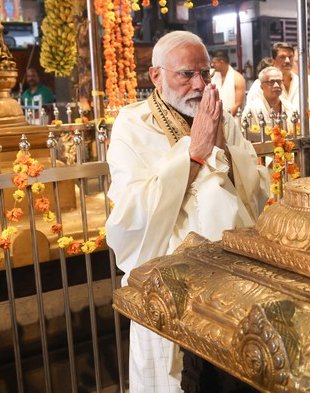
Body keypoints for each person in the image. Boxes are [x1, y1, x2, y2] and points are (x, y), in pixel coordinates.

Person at [105, 31, 270, 392]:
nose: (198, 85)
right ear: (156, 76)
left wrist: (222, 143)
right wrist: (193, 154)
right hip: (170, 284)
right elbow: (131, 215)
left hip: (232, 283)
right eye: (186, 74)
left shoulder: (222, 119)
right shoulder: (132, 127)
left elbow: (254, 193)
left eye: (205, 74)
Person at [246, 42, 310, 109]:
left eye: (290, 57)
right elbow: (251, 111)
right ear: (273, 61)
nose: (287, 61)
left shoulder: (307, 82)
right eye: (282, 57)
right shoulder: (260, 85)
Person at [210, 49, 246, 115]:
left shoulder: (238, 78)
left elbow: (238, 104)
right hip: (215, 119)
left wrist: (225, 119)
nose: (212, 65)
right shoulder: (212, 77)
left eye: (214, 62)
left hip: (233, 120)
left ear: (221, 62)